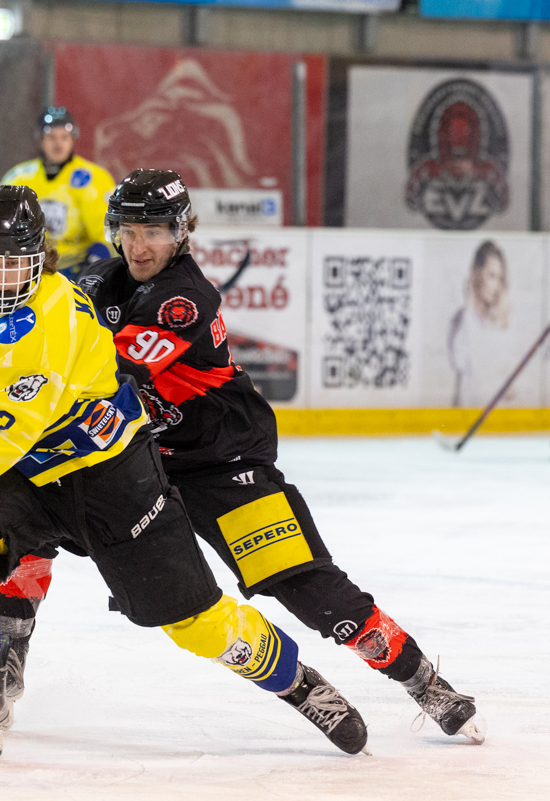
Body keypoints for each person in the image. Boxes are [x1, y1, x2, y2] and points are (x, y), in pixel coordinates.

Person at [0, 184, 369, 763]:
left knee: (195, 622)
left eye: (12, 264)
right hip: (27, 473)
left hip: (109, 475)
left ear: (39, 260)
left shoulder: (51, 317)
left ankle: (299, 683)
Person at [75, 168, 484, 743]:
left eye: (155, 231)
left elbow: (103, 370)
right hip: (143, 465)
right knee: (144, 586)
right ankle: (300, 686)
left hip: (222, 466)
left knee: (307, 587)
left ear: (181, 232)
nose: (139, 246)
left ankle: (423, 681)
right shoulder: (99, 281)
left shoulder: (184, 300)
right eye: (128, 230)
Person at [2, 107, 116, 281]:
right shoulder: (18, 178)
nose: (58, 144)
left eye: (64, 137)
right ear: (40, 140)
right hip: (30, 265)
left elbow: (107, 233)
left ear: (72, 139)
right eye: (51, 137)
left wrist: (94, 261)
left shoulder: (94, 179)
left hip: (77, 266)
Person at [448, 240, 518, 408]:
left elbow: (508, 378)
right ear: (477, 275)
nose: (496, 286)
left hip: (497, 416)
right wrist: (469, 310)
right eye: (491, 276)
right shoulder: (461, 319)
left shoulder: (502, 326)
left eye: (500, 279)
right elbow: (459, 362)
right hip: (467, 415)